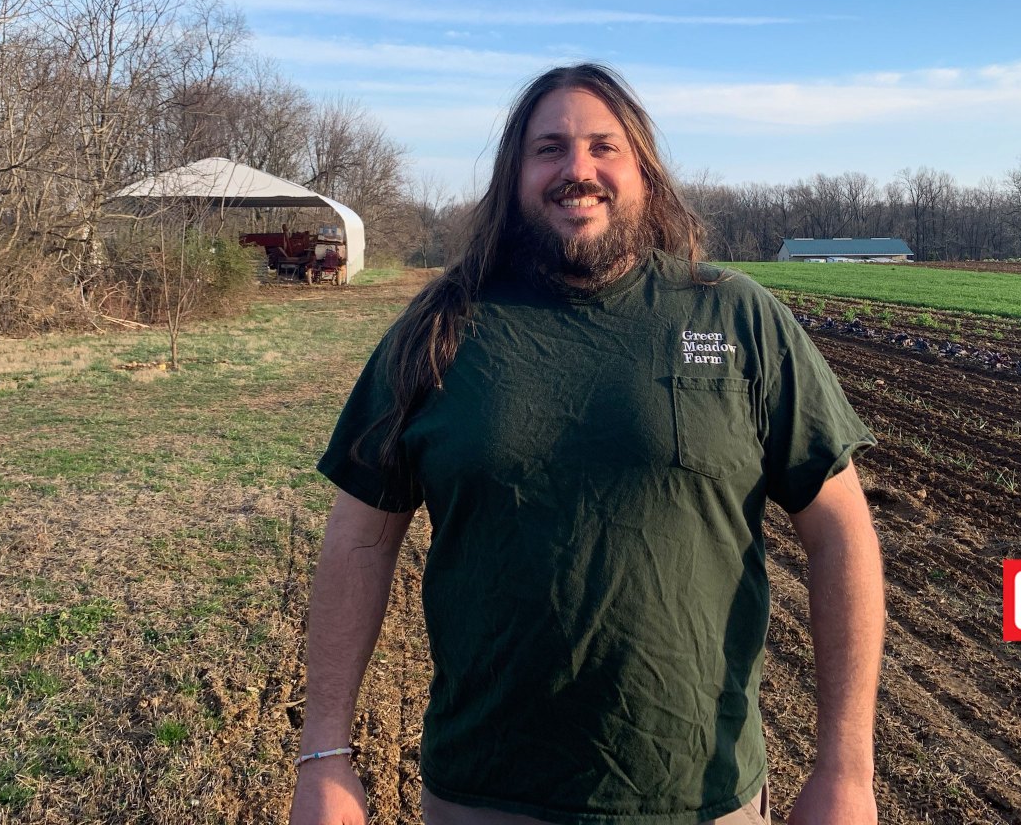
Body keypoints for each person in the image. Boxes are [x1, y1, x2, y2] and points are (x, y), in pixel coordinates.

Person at [289, 63, 885, 825]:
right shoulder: (440, 330)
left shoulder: (736, 319)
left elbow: (841, 534)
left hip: (702, 798)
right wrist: (324, 753)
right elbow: (358, 543)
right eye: (549, 149)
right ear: (514, 176)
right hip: (484, 796)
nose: (578, 169)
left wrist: (846, 770)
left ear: (644, 172)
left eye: (604, 146)